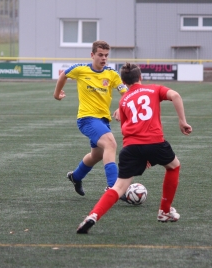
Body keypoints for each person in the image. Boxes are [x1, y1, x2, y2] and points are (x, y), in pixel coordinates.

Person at [76, 63, 192, 234]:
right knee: (173, 166)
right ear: (140, 77)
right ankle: (164, 211)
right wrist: (182, 121)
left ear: (123, 81)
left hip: (130, 147)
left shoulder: (123, 101)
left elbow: (125, 128)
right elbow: (175, 95)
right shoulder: (154, 89)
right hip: (155, 142)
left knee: (118, 187)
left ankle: (92, 216)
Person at [53, 40, 128, 196]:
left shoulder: (112, 74)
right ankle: (114, 188)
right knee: (111, 144)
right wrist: (57, 94)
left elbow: (126, 94)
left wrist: (122, 107)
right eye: (100, 55)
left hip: (103, 121)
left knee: (97, 155)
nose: (104, 58)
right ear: (92, 55)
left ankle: (76, 177)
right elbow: (63, 76)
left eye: (106, 55)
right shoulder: (80, 69)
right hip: (86, 118)